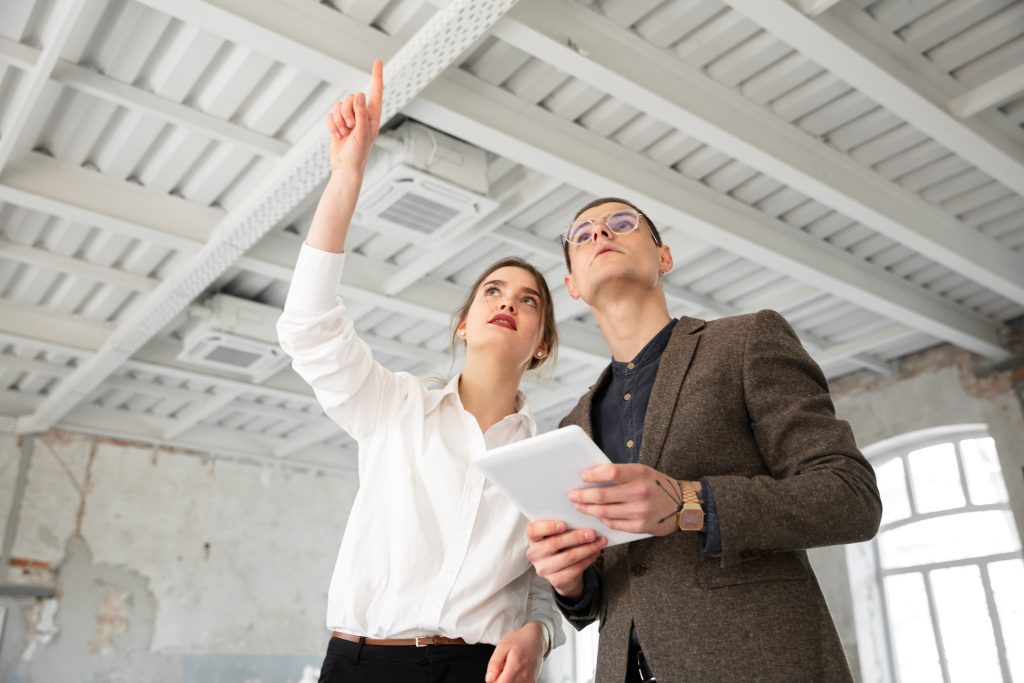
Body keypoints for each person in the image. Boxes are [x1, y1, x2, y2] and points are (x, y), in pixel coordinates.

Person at [277, 60, 563, 683]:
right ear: (464, 323)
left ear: (541, 345)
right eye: (492, 291)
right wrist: (346, 175)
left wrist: (539, 633)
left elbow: (548, 578)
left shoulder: (549, 459)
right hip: (362, 663)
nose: (508, 303)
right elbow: (309, 326)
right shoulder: (394, 407)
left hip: (478, 669)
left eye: (528, 299)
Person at [524, 198, 882, 682]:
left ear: (664, 257)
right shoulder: (574, 425)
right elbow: (610, 592)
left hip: (760, 663)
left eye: (621, 223)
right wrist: (570, 583)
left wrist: (690, 502)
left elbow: (851, 496)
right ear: (572, 287)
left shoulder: (746, 341)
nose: (601, 235)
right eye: (582, 235)